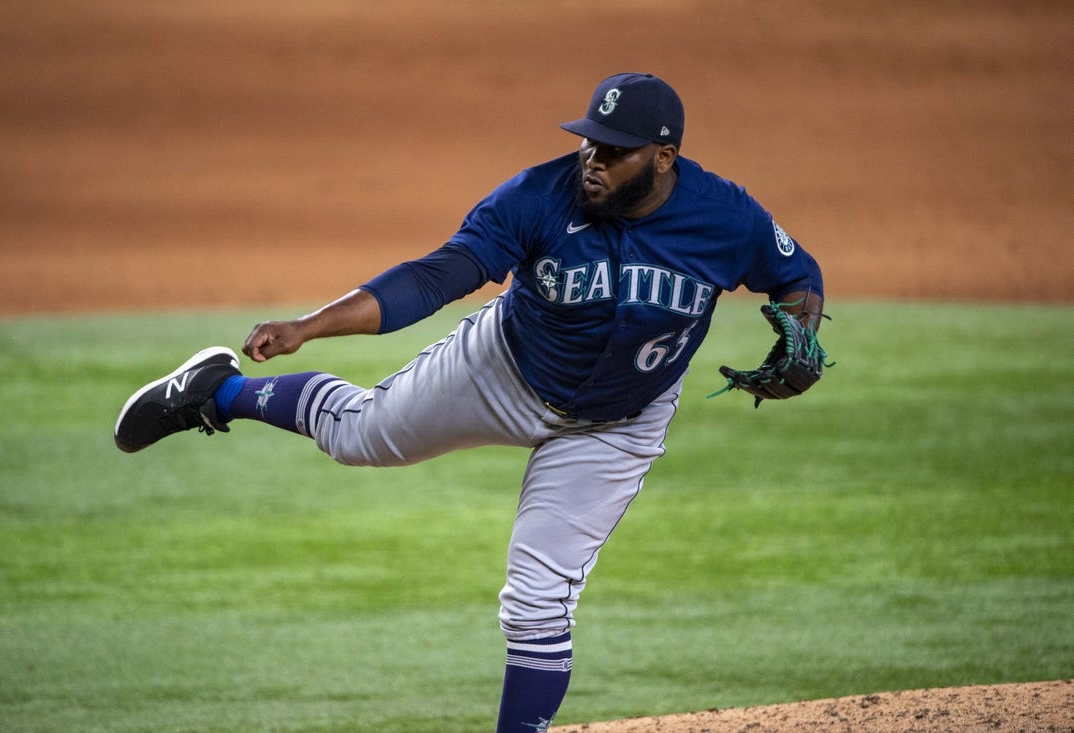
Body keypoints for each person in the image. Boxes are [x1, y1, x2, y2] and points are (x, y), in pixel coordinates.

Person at [114, 72, 826, 732]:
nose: (593, 160)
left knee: (538, 600)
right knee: (358, 434)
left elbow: (797, 274)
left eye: (615, 151)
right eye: (588, 142)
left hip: (616, 426)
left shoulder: (726, 218)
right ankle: (219, 392)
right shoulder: (534, 198)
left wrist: (802, 333)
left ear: (663, 157)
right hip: (501, 369)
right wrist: (309, 326)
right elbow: (435, 277)